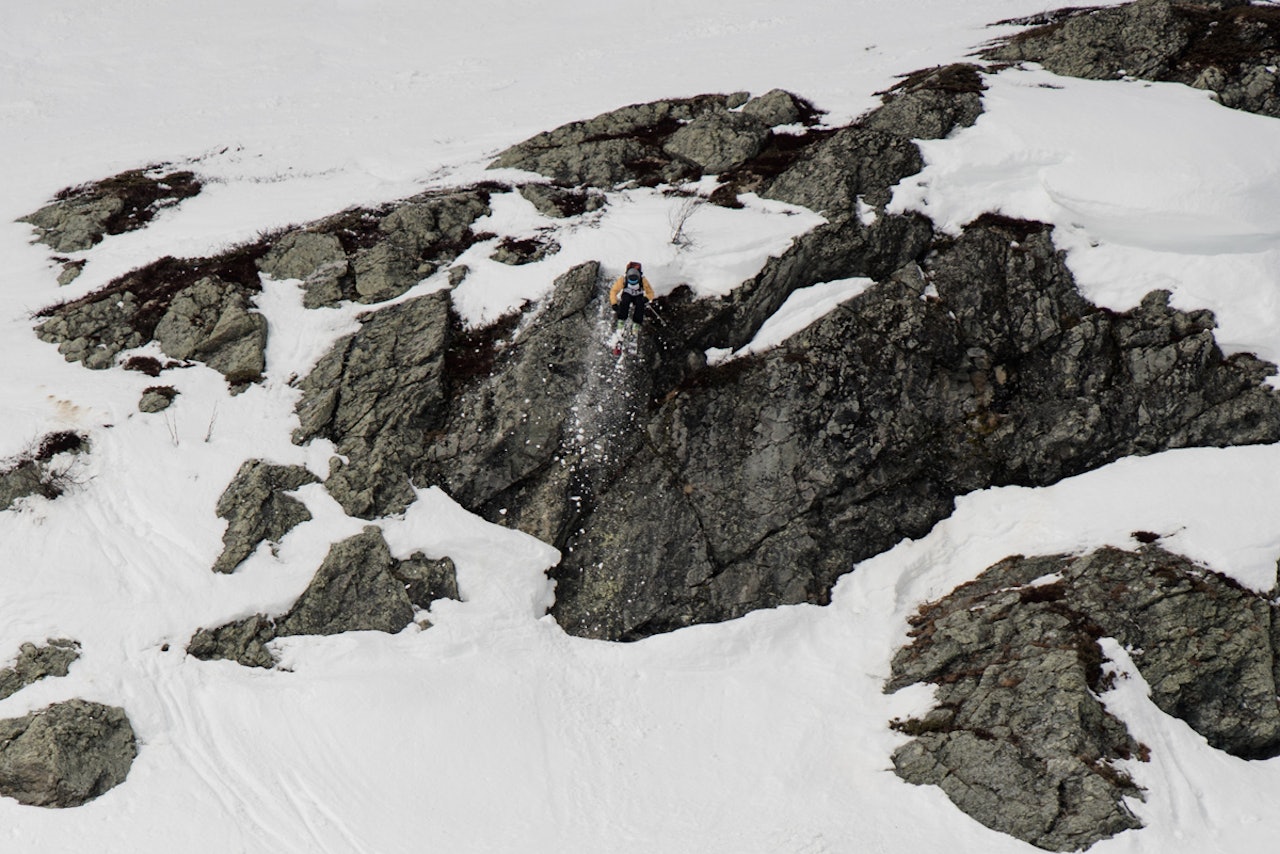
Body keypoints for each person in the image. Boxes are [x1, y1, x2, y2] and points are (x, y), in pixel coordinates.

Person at [609, 261, 655, 334]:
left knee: (640, 304)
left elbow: (651, 292)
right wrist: (614, 303)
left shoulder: (643, 280)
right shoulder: (623, 279)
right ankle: (621, 320)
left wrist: (646, 298)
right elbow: (613, 291)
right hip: (627, 294)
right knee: (625, 301)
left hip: (638, 296)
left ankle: (636, 323)